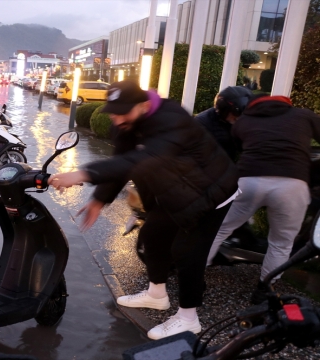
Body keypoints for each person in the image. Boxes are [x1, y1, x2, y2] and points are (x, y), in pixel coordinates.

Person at [49, 81, 239, 340]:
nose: (116, 118)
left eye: (123, 111)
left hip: (212, 191)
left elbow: (144, 159)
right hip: (177, 191)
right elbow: (122, 161)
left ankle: (188, 318)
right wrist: (98, 200)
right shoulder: (127, 123)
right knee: (152, 236)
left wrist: (84, 173)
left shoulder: (172, 118)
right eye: (113, 111)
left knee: (186, 252)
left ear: (145, 105)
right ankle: (156, 295)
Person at [205, 95, 320, 304]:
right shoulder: (304, 115)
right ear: (287, 103)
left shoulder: (244, 122)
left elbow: (240, 147)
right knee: (281, 243)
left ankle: (195, 275)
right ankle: (264, 289)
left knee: (219, 229)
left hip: (249, 180)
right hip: (293, 184)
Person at [195, 86, 253, 160]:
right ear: (224, 110)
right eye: (236, 114)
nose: (238, 118)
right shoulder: (202, 123)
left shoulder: (239, 123)